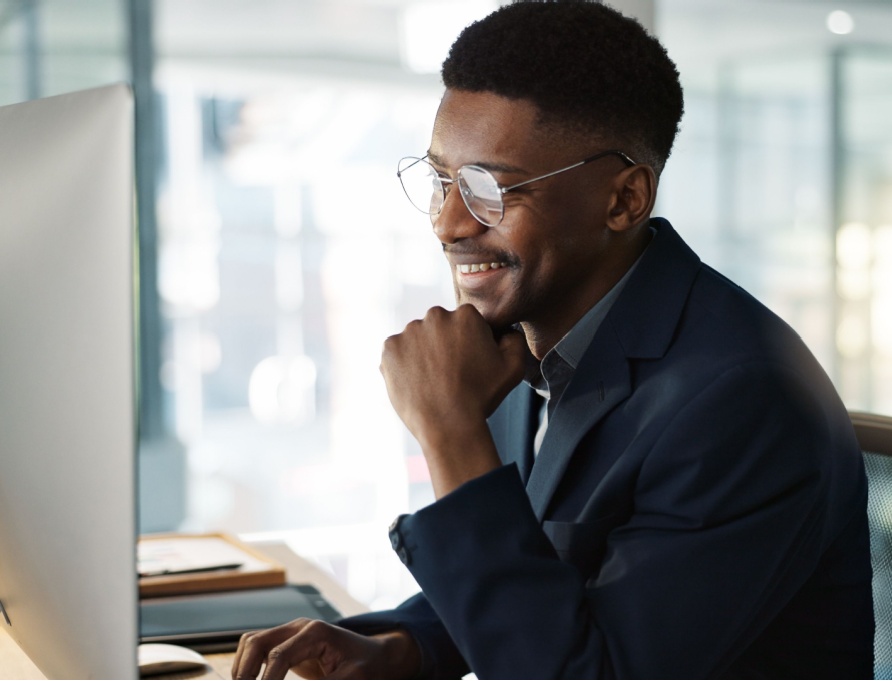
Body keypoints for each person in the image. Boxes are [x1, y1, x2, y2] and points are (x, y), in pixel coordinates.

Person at [232, 1, 875, 678]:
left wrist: (451, 433)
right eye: (442, 181)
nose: (449, 223)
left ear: (624, 199)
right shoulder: (526, 333)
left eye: (488, 188)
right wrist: (409, 645)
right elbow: (545, 577)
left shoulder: (741, 399)